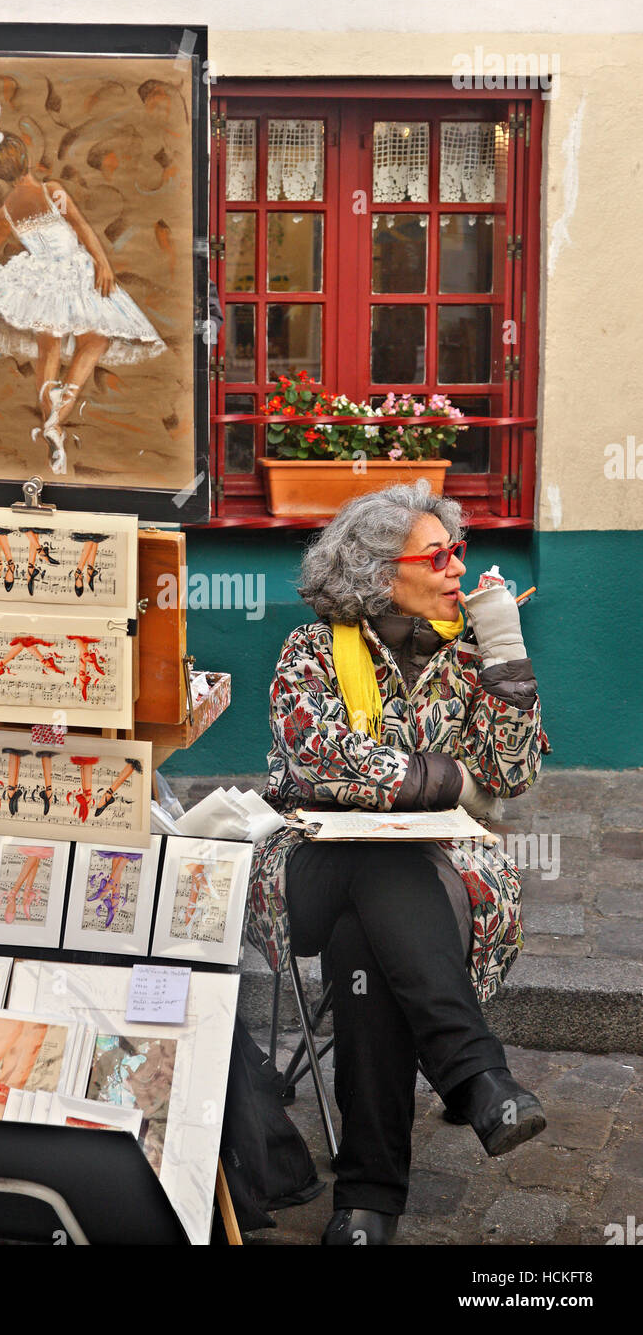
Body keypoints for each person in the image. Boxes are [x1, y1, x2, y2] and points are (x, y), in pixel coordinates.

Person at [248, 478, 549, 1246]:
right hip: (311, 865)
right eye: (439, 555)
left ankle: (366, 1201)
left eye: (459, 552)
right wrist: (443, 780)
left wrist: (506, 660)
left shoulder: (476, 652)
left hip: (429, 876)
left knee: (365, 942)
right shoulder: (311, 650)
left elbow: (510, 779)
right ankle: (475, 1074)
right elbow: (317, 759)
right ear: (381, 573)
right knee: (380, 872)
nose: (457, 568)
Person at [0, 117, 166, 475]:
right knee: (94, 340)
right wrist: (102, 263)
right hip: (72, 272)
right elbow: (81, 227)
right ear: (25, 159)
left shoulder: (6, 211)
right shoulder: (52, 190)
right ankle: (58, 415)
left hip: (38, 279)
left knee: (50, 349)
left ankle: (53, 423)